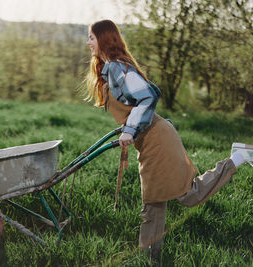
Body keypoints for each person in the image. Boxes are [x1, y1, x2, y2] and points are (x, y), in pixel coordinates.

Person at [85, 19, 253, 259]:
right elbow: (139, 101)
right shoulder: (110, 67)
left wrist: (130, 130)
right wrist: (128, 127)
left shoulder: (116, 67)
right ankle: (149, 256)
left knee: (182, 195)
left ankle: (237, 159)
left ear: (103, 39)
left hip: (157, 138)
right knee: (157, 200)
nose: (88, 42)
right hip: (152, 137)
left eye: (91, 37)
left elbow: (148, 96)